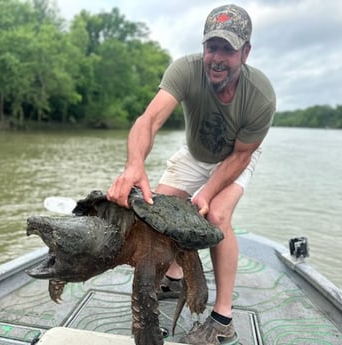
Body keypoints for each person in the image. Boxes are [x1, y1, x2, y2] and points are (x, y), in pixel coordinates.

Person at [108, 3, 276, 345]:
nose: (217, 57)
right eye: (211, 46)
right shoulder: (185, 70)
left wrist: (209, 190)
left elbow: (242, 154)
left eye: (227, 49)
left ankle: (222, 317)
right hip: (196, 152)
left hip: (236, 156)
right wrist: (134, 163)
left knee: (215, 215)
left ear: (245, 52)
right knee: (158, 209)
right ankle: (175, 275)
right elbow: (149, 120)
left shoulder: (260, 95)